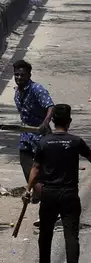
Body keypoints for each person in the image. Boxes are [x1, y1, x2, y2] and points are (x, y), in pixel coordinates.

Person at [23, 104, 91, 263]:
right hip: (70, 194)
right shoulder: (76, 141)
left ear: (53, 121)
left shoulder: (44, 142)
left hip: (49, 194)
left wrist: (28, 190)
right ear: (69, 121)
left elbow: (35, 169)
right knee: (71, 234)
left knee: (46, 232)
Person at [13, 60, 54, 214]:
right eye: (16, 74)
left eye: (22, 75)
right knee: (26, 166)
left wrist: (45, 122)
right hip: (26, 136)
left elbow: (51, 106)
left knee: (39, 172)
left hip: (41, 137)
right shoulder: (17, 91)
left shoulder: (37, 89)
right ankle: (38, 193)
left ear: (29, 75)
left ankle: (49, 206)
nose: (19, 77)